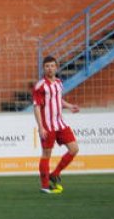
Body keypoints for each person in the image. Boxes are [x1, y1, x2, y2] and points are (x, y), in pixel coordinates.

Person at [33, 55, 80, 194]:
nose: (50, 68)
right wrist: (41, 127)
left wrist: (70, 106)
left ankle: (55, 174)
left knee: (74, 149)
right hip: (47, 126)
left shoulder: (59, 82)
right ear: (43, 68)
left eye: (52, 66)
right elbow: (36, 107)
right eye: (47, 66)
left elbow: (58, 100)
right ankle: (45, 186)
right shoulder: (40, 85)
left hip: (60, 124)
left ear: (56, 67)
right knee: (46, 154)